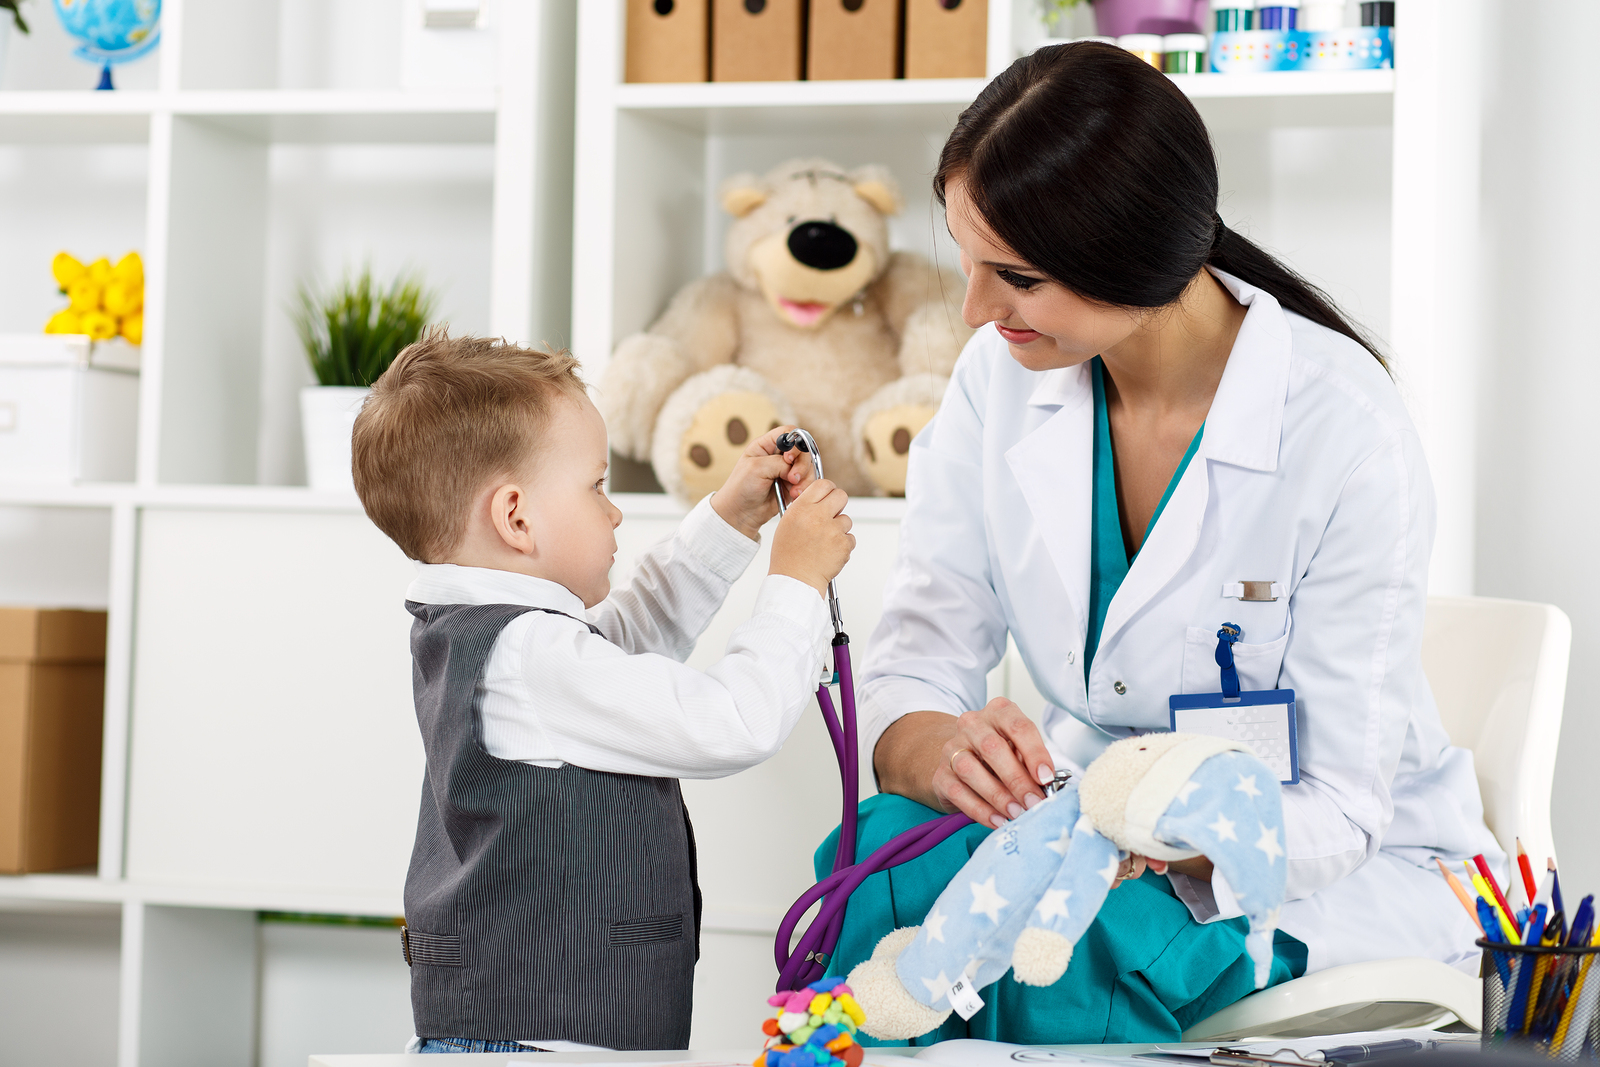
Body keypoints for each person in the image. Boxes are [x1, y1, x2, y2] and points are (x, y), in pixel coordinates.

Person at [830, 42, 1503, 1044]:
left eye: (1013, 276)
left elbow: (1342, 806)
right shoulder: (996, 378)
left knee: (1083, 949)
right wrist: (931, 744)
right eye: (967, 261)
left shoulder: (1341, 429)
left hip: (1303, 856)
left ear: (1141, 257)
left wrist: (1164, 828)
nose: (974, 311)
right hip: (1073, 812)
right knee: (877, 868)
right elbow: (922, 642)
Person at [350, 329, 855, 1054]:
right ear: (517, 518)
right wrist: (797, 583)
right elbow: (730, 722)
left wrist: (732, 516)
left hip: (538, 1036)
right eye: (596, 486)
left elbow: (630, 634)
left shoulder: (506, 642)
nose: (613, 512)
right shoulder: (529, 655)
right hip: (547, 1042)